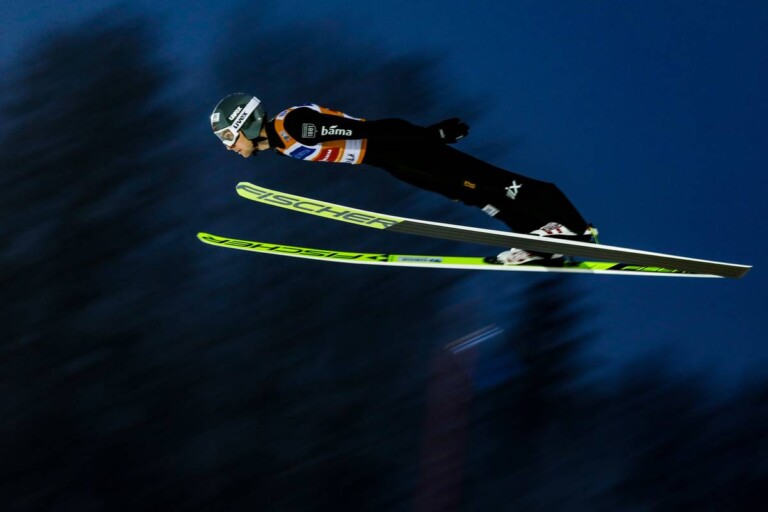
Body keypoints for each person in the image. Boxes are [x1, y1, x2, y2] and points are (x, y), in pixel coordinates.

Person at [210, 93, 596, 265]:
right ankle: (539, 240)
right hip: (394, 161)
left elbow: (376, 130)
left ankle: (574, 228)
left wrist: (431, 137)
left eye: (228, 136)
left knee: (493, 182)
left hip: (403, 151)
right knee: (478, 196)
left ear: (247, 122)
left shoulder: (294, 127)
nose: (228, 146)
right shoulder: (280, 141)